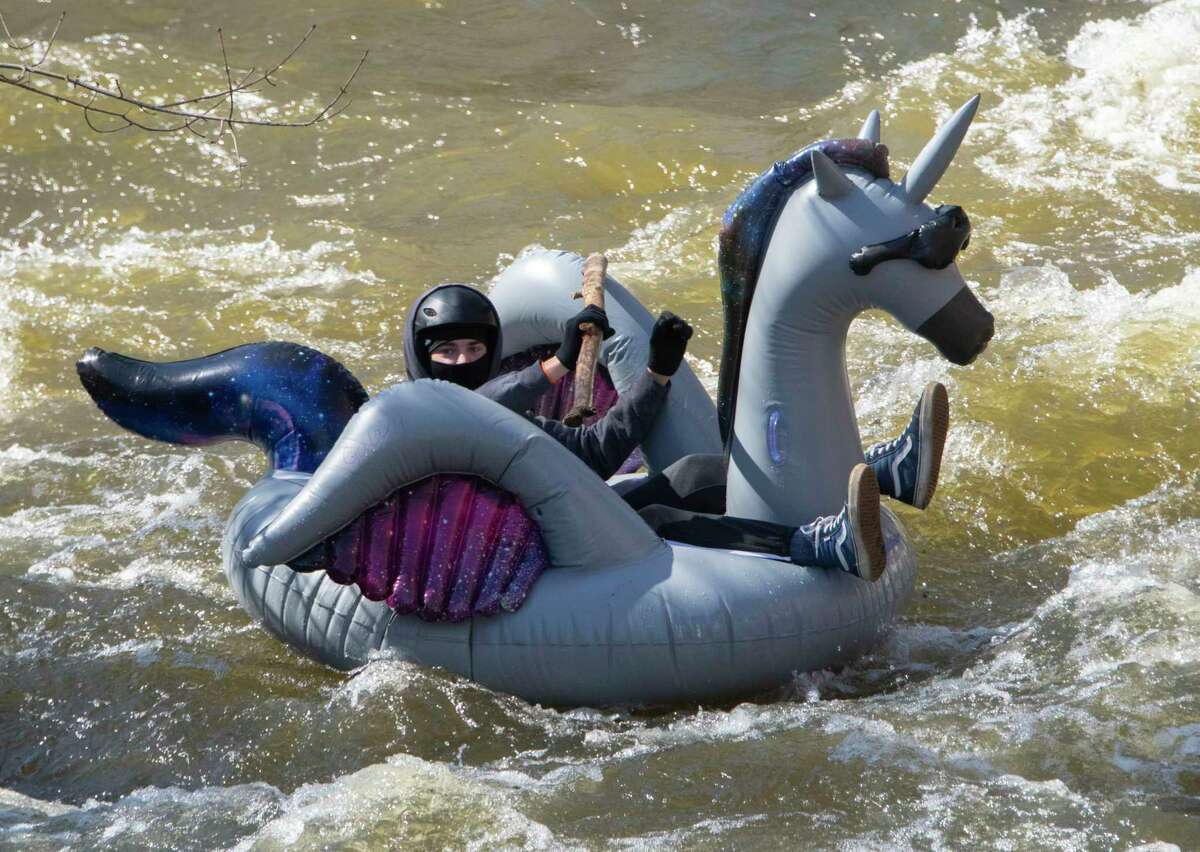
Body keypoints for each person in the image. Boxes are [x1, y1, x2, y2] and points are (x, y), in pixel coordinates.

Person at [403, 284, 948, 582]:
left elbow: (594, 451)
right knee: (658, 520)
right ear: (423, 359)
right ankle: (813, 546)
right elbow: (466, 408)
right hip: (512, 556)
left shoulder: (507, 412)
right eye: (447, 351)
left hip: (560, 512)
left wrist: (658, 373)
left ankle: (882, 473)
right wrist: (559, 365)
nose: (461, 360)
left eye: (474, 349)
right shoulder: (416, 414)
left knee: (695, 472)